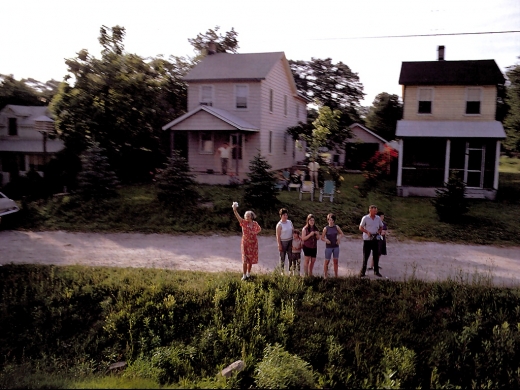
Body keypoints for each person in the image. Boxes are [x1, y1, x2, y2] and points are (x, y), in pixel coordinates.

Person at [232, 203, 261, 280]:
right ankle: (244, 275)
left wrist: (254, 233)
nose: (247, 217)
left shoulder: (255, 223)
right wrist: (235, 210)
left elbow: (259, 229)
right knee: (245, 259)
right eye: (245, 216)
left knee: (250, 260)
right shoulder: (243, 223)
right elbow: (238, 217)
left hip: (253, 243)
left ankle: (248, 273)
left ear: (251, 216)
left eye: (248, 216)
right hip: (245, 243)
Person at [359, 205, 384, 277]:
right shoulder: (365, 218)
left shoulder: (378, 218)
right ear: (370, 210)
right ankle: (363, 272)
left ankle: (376, 271)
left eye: (376, 211)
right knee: (365, 256)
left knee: (376, 256)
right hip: (367, 239)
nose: (375, 212)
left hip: (375, 239)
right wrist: (367, 232)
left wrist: (379, 231)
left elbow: (381, 226)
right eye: (374, 211)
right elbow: (360, 227)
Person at [321, 213, 344, 279]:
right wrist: (326, 240)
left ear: (334, 220)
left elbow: (342, 234)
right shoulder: (326, 228)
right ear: (327, 220)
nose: (330, 221)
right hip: (328, 247)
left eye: (332, 220)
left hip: (336, 246)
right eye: (329, 220)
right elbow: (322, 237)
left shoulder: (336, 227)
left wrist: (339, 238)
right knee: (327, 261)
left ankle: (336, 275)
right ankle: (325, 276)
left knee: (335, 261)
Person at [276, 208, 294, 275]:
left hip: (290, 241)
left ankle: (290, 271)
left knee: (290, 256)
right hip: (283, 242)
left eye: (286, 215)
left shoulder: (289, 222)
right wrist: (279, 244)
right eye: (284, 215)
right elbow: (278, 236)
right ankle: (282, 272)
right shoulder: (279, 225)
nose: (285, 216)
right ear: (281, 216)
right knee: (282, 257)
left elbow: (293, 230)